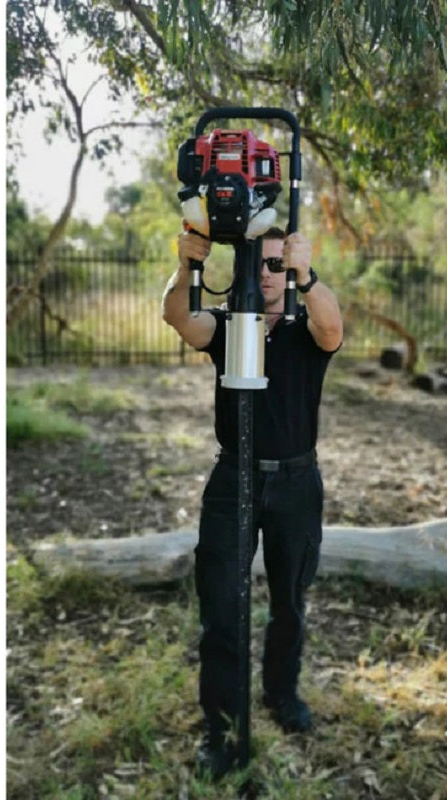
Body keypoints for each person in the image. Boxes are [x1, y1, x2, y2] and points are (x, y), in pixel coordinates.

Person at [161, 226, 343, 778]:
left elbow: (333, 325)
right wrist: (187, 266)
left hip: (295, 484)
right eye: (256, 261)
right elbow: (178, 318)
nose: (264, 271)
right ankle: (220, 729)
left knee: (290, 601)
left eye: (275, 261)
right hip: (232, 480)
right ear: (241, 265)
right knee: (221, 608)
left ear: (288, 264)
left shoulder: (304, 324)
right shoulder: (228, 324)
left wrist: (307, 277)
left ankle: (281, 697)